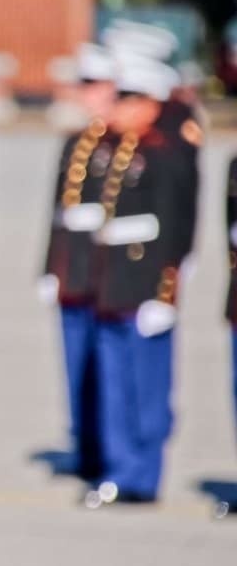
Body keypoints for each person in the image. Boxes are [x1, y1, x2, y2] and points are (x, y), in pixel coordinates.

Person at [83, 56, 198, 506]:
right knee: (115, 382)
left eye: (130, 98)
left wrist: (165, 292)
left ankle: (143, 475)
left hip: (146, 282)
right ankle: (119, 466)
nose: (121, 107)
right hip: (115, 280)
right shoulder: (124, 148)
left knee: (146, 386)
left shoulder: (166, 153)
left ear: (151, 102)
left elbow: (176, 226)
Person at [39, 43, 118, 481]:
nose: (86, 94)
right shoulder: (76, 141)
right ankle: (85, 446)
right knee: (76, 367)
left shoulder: (123, 145)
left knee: (106, 372)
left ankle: (108, 453)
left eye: (94, 85)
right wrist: (49, 267)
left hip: (105, 274)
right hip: (73, 270)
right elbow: (56, 214)